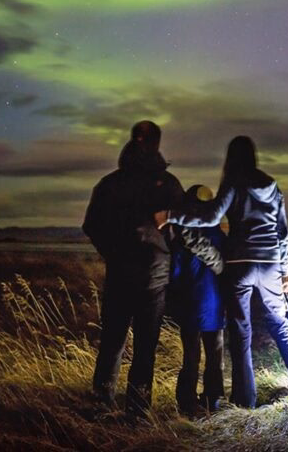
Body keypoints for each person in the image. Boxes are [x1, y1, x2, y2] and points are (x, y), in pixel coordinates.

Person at [156, 135, 288, 408]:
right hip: (269, 265)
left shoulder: (233, 181)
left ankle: (245, 401)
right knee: (278, 320)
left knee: (241, 331)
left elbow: (211, 218)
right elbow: (282, 233)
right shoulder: (272, 185)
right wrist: (285, 272)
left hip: (239, 264)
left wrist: (171, 215)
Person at [82, 120, 184, 415]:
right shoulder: (169, 184)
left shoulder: (110, 183)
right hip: (154, 273)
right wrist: (168, 251)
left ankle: (101, 401)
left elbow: (91, 225)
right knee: (145, 345)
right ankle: (138, 411)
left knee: (113, 340)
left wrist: (111, 252)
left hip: (120, 271)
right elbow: (184, 226)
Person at [167, 185, 227, 415]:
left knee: (191, 356)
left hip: (191, 303)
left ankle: (187, 402)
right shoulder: (220, 235)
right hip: (216, 305)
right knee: (215, 354)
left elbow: (176, 273)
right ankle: (215, 399)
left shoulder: (182, 236)